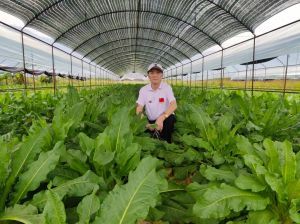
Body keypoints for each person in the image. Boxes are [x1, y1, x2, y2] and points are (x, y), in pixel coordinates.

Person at [136, 63, 177, 143]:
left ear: (162, 75)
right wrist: (146, 123)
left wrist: (161, 118)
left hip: (165, 118)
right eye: (152, 73)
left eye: (158, 73)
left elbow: (174, 104)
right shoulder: (143, 90)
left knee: (170, 119)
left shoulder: (167, 88)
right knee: (146, 138)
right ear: (148, 75)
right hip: (150, 121)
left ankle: (166, 143)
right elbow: (139, 108)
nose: (155, 75)